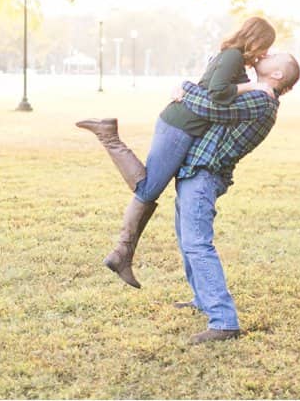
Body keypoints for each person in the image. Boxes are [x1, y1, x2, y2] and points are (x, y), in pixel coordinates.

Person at [75, 17, 276, 289]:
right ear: (255, 39)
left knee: (149, 189)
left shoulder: (232, 58)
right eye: (265, 46)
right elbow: (217, 94)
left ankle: (123, 254)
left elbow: (210, 88)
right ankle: (108, 136)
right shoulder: (232, 56)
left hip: (185, 125)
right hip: (179, 126)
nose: (265, 53)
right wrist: (254, 86)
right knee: (147, 190)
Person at [169, 52, 300, 344]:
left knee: (197, 243)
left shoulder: (262, 101)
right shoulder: (256, 93)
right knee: (186, 239)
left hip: (205, 174)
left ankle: (224, 321)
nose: (266, 54)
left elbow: (211, 107)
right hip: (196, 171)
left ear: (277, 75)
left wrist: (184, 87)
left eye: (274, 56)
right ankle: (202, 300)